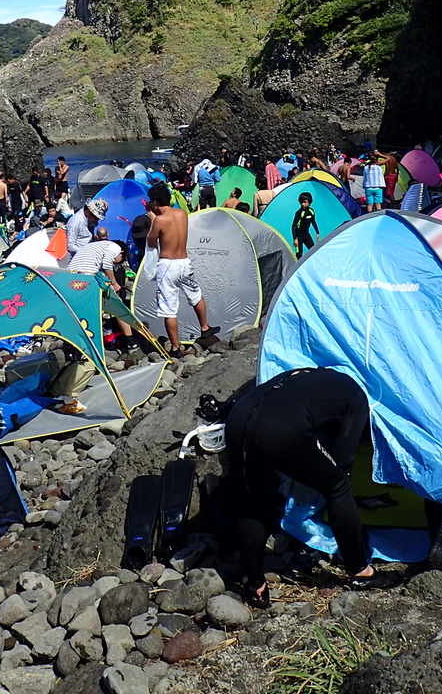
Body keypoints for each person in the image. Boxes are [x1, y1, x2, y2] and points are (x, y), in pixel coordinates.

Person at [223, 368, 380, 605]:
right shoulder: (358, 398)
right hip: (279, 426)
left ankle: (256, 586)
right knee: (338, 486)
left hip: (238, 417)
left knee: (250, 501)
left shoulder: (307, 376)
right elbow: (342, 460)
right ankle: (361, 572)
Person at [144, 183, 220, 354]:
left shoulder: (160, 220)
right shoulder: (182, 214)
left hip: (168, 265)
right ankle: (204, 327)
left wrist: (153, 221)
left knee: (169, 309)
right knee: (196, 295)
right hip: (184, 262)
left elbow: (151, 242)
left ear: (155, 202)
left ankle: (176, 347)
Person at [291, 191, 319, 257]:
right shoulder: (299, 213)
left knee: (313, 251)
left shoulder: (311, 211)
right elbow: (293, 226)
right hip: (299, 236)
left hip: (306, 235)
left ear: (309, 202)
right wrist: (295, 239)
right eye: (301, 202)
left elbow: (313, 222)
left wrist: (317, 233)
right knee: (299, 254)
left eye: (305, 202)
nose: (303, 204)